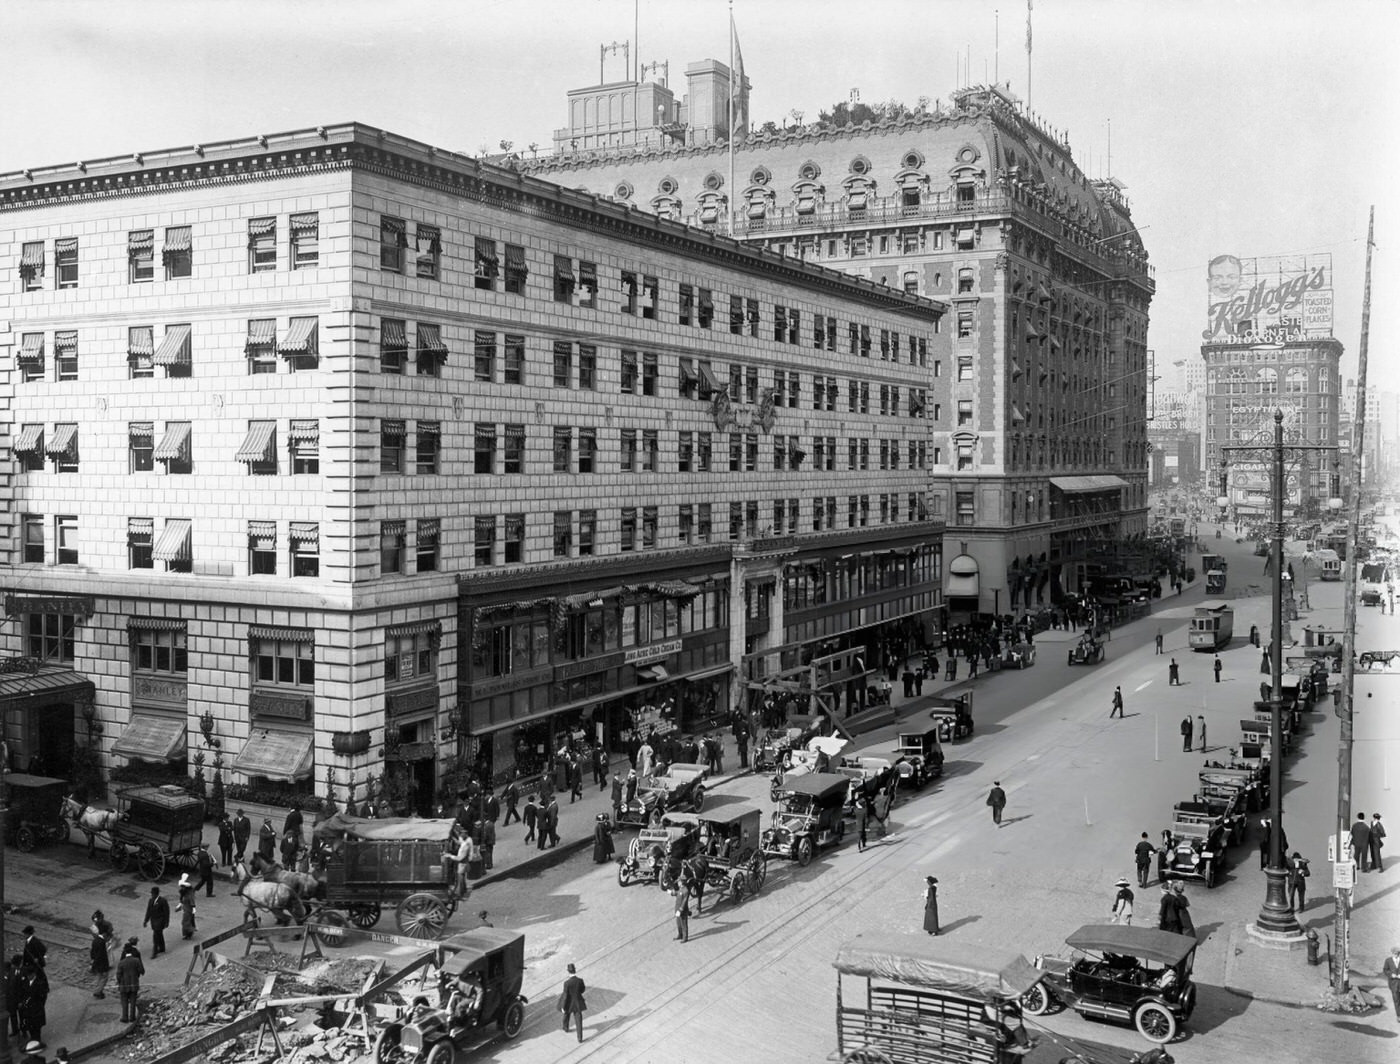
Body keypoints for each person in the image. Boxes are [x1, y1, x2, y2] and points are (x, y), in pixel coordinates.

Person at [18, 960, 48, 1048]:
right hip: (29, 1009)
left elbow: (43, 997)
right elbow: (23, 993)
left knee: (36, 1028)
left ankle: (37, 1042)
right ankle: (33, 1039)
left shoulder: (39, 983)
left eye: (29, 975)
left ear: (33, 974)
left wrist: (38, 1005)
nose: (28, 977)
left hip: (36, 1009)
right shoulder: (26, 982)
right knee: (30, 1026)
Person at [116, 939, 144, 1023]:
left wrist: (119, 982)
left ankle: (125, 1017)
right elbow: (141, 971)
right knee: (133, 1001)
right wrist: (137, 975)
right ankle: (132, 1017)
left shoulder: (121, 962)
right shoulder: (136, 960)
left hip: (124, 985)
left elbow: (118, 975)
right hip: (134, 983)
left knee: (124, 1001)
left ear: (125, 951)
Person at [558, 963, 587, 1043]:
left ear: (568, 971)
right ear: (575, 970)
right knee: (579, 1020)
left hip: (569, 1003)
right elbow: (582, 990)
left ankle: (566, 1028)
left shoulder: (566, 983)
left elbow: (565, 996)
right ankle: (580, 1038)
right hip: (577, 1003)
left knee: (566, 1015)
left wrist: (563, 1006)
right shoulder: (580, 980)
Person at [89, 909, 114, 999]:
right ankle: (97, 991)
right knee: (103, 977)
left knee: (99, 977)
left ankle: (98, 990)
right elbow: (101, 955)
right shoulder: (101, 940)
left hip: (103, 941)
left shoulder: (95, 940)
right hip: (102, 963)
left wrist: (93, 961)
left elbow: (93, 952)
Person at [143, 886, 170, 958]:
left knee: (156, 936)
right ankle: (162, 948)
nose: (152, 895)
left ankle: (154, 952)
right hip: (153, 921)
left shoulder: (163, 901)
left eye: (153, 893)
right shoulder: (150, 900)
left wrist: (167, 922)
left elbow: (166, 912)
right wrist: (146, 920)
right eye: (152, 893)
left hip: (160, 921)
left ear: (156, 894)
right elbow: (148, 911)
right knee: (159, 934)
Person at [1382, 944, 1400, 1022]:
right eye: (1395, 954)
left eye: (1398, 954)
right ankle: (1399, 1015)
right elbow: (1385, 970)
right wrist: (1391, 975)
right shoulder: (1388, 960)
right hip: (1393, 984)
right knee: (1396, 999)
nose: (1396, 955)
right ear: (1392, 953)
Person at [178, 874, 198, 939]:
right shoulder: (183, 894)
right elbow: (181, 900)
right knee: (187, 922)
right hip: (186, 909)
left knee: (186, 922)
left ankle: (189, 933)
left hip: (189, 910)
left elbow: (192, 901)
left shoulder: (189, 894)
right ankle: (188, 934)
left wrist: (193, 908)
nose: (182, 888)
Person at [6, 955, 22, 1039]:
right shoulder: (15, 971)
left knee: (14, 1015)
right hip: (14, 997)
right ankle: (18, 1031)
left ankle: (17, 1030)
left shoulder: (13, 971)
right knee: (17, 1015)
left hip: (12, 998)